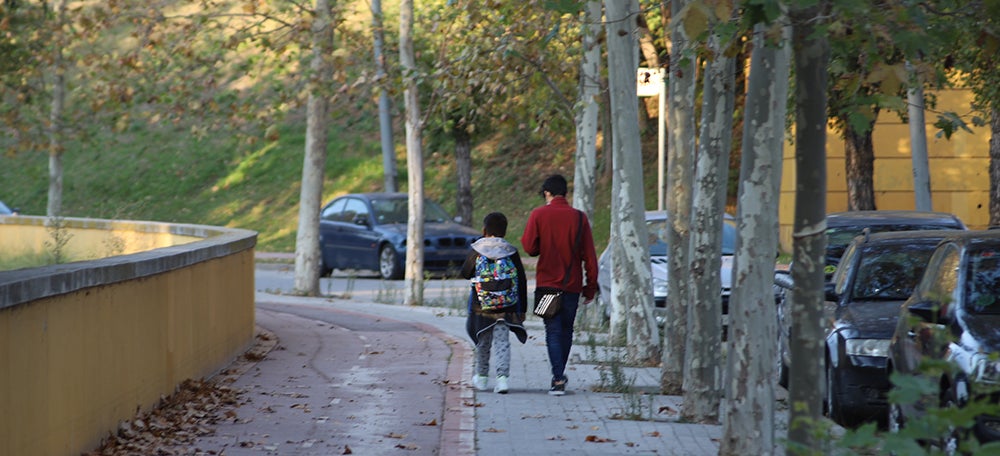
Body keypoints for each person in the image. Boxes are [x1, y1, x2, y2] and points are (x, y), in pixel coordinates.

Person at [520, 174, 598, 396]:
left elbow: (529, 247)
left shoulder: (538, 214)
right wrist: (590, 287)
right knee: (566, 330)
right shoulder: (580, 218)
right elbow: (590, 257)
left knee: (552, 330)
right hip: (572, 285)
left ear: (547, 193)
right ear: (565, 193)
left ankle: (557, 378)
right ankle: (559, 375)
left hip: (547, 285)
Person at [461, 212, 528, 394]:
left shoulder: (477, 249)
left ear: (484, 230)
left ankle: (482, 378)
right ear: (504, 232)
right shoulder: (511, 251)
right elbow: (521, 280)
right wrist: (523, 310)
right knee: (502, 343)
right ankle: (502, 380)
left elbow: (465, 273)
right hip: (507, 307)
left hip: (481, 307)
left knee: (483, 342)